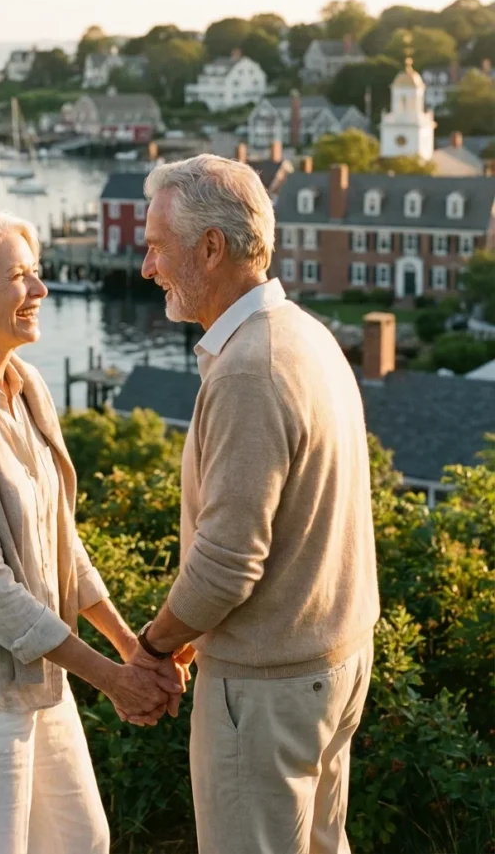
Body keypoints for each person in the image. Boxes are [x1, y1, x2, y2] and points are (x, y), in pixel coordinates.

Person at [0, 210, 183, 854]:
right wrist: (112, 678)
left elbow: (58, 540)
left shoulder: (25, 388)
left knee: (82, 841)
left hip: (39, 678)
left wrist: (132, 648)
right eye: (20, 276)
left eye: (38, 274)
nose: (41, 291)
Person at [128, 155, 380, 854]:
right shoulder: (307, 336)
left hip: (268, 687)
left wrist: (156, 644)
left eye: (157, 246)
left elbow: (226, 565)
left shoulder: (249, 369)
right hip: (333, 662)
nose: (148, 267)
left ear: (211, 247)